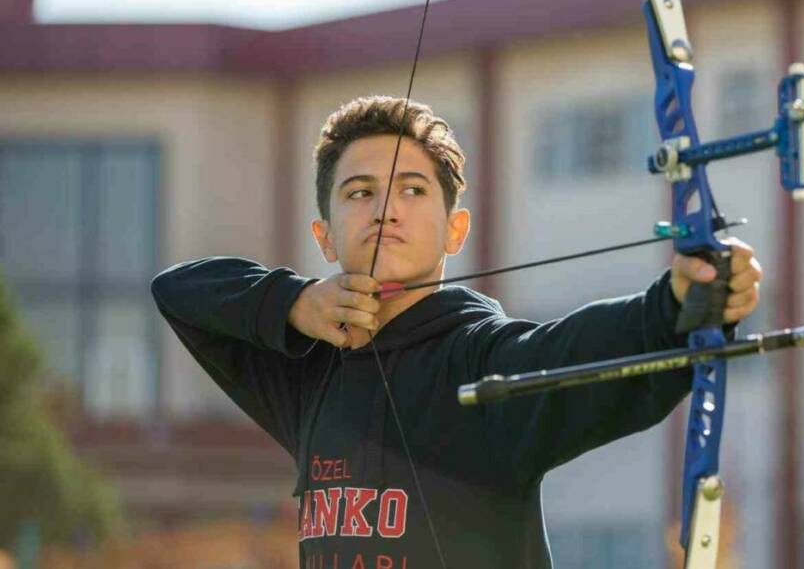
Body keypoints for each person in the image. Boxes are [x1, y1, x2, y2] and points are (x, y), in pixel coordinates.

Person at [151, 95, 763, 568]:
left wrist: (682, 302)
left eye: (412, 190)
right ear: (325, 237)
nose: (385, 208)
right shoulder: (311, 375)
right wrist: (295, 303)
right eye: (359, 192)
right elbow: (178, 292)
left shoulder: (481, 364)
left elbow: (587, 347)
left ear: (455, 231)